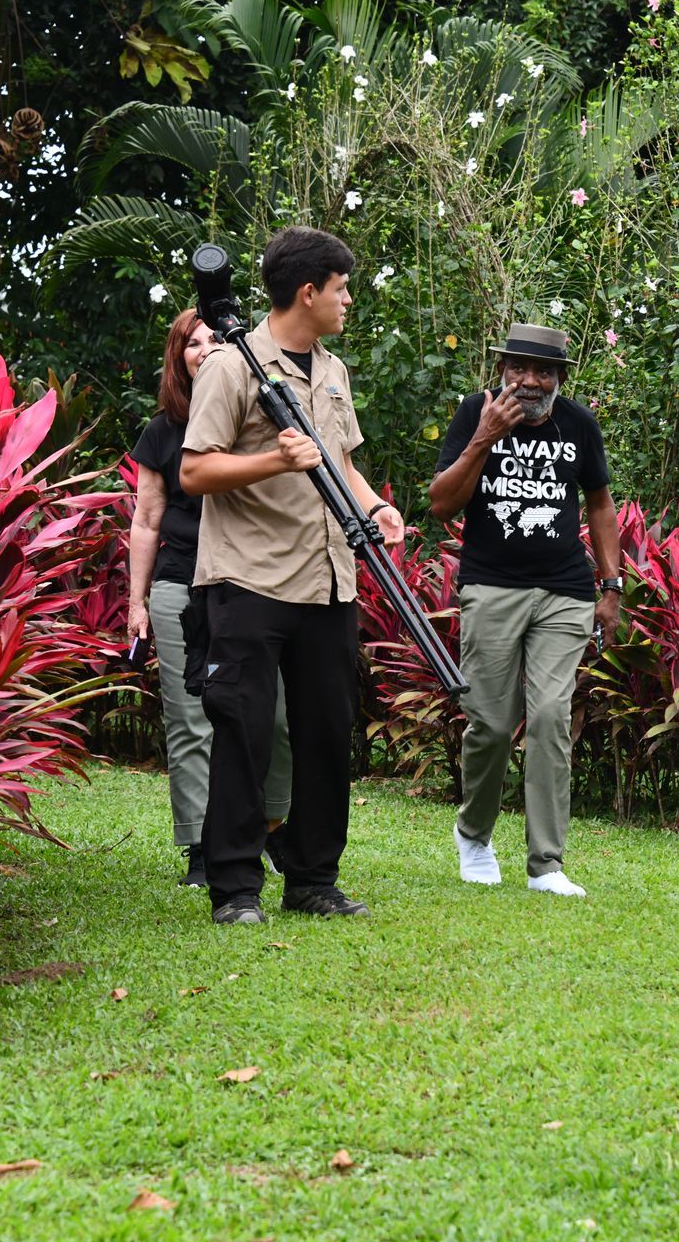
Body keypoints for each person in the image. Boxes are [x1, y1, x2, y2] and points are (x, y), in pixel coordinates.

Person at [180, 226, 406, 925]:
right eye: (341, 289)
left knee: (326, 732)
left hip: (328, 579)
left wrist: (378, 507)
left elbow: (341, 462)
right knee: (245, 735)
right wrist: (274, 462)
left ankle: (313, 879)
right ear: (308, 292)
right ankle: (236, 888)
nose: (348, 301)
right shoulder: (231, 367)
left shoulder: (332, 371)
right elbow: (195, 470)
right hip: (249, 578)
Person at [428, 323, 620, 898]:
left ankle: (546, 863)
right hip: (492, 586)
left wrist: (611, 586)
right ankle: (474, 834)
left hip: (564, 590)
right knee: (488, 723)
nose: (530, 381)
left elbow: (600, 505)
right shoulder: (474, 413)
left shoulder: (579, 425)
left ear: (560, 377)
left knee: (549, 718)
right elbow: (441, 504)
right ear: (503, 369)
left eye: (543, 371)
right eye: (519, 368)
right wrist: (484, 436)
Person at [127, 310, 292, 886]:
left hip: (249, 583)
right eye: (192, 344)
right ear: (178, 358)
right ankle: (200, 844)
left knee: (270, 714)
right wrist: (137, 603)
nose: (205, 350)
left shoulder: (261, 420)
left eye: (216, 341)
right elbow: (147, 521)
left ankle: (273, 831)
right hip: (179, 583)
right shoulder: (161, 432)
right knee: (192, 715)